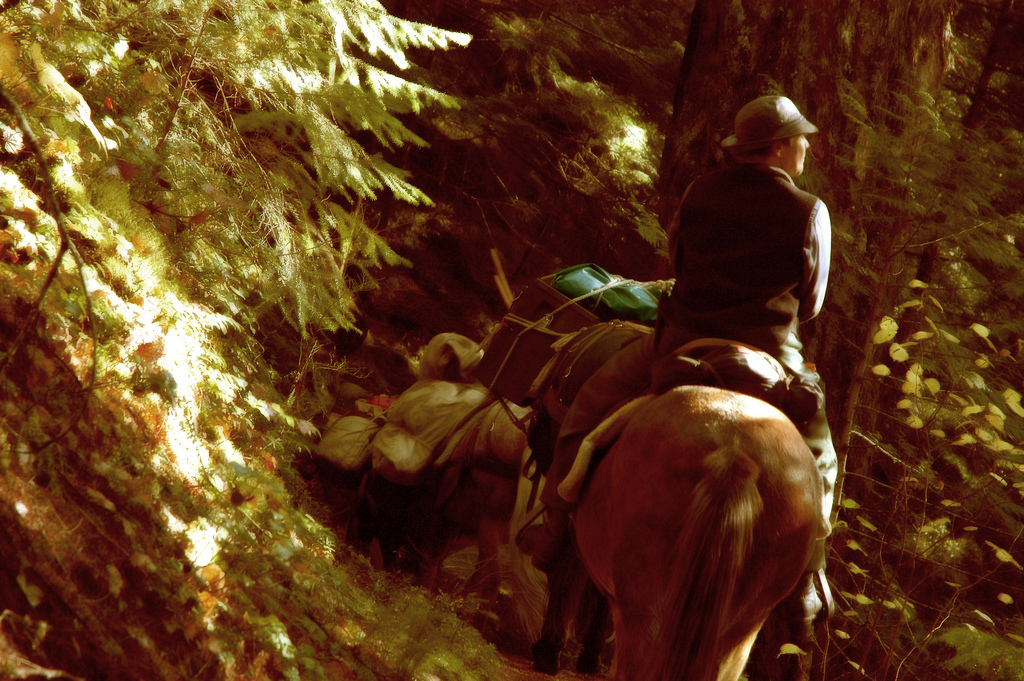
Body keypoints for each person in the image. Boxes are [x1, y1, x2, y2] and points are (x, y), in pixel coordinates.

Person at [519, 95, 838, 669]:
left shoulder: (700, 194)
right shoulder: (811, 211)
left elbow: (680, 261)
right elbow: (811, 304)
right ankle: (809, 582)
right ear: (781, 146)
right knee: (821, 459)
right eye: (801, 138)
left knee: (588, 407)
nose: (807, 146)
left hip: (678, 348)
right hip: (771, 362)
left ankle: (557, 521)